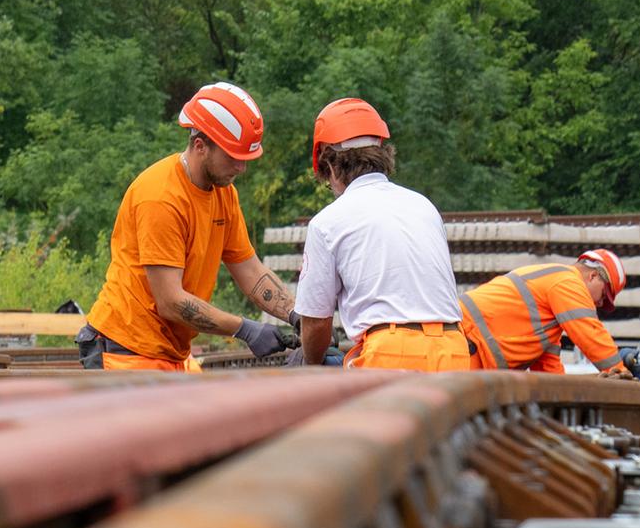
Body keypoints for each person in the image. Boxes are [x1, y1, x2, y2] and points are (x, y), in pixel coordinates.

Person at [77, 81, 297, 371]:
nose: (241, 168)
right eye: (233, 157)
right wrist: (243, 328)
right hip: (126, 351)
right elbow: (170, 301)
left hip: (171, 354)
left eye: (245, 159)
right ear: (200, 145)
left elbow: (251, 271)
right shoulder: (161, 197)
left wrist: (298, 315)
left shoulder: (224, 194)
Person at [291, 98, 469, 371]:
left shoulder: (327, 222)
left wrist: (311, 361)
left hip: (391, 353)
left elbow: (316, 322)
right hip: (453, 349)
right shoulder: (424, 206)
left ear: (330, 167)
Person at [458, 249, 635, 377]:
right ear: (593, 276)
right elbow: (590, 333)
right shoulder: (567, 282)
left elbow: (548, 371)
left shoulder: (547, 322)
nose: (599, 303)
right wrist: (620, 371)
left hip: (465, 345)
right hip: (460, 343)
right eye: (603, 295)